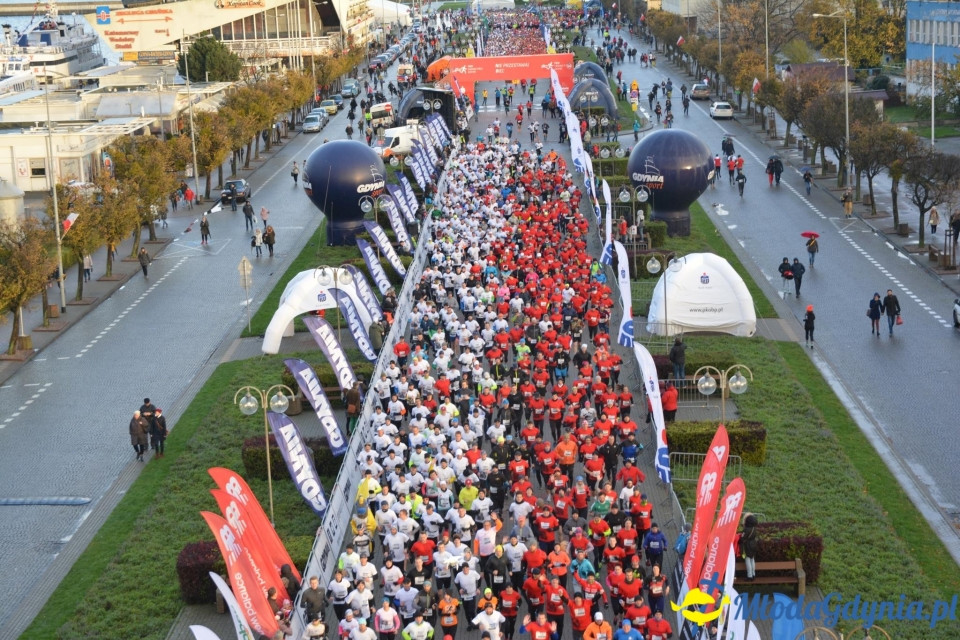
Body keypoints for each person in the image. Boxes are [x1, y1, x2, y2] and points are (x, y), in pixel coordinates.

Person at [740, 513, 759, 580]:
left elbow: (742, 538)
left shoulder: (746, 529)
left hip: (747, 546)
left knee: (747, 560)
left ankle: (749, 576)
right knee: (752, 559)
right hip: (753, 545)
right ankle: (753, 574)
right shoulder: (754, 529)